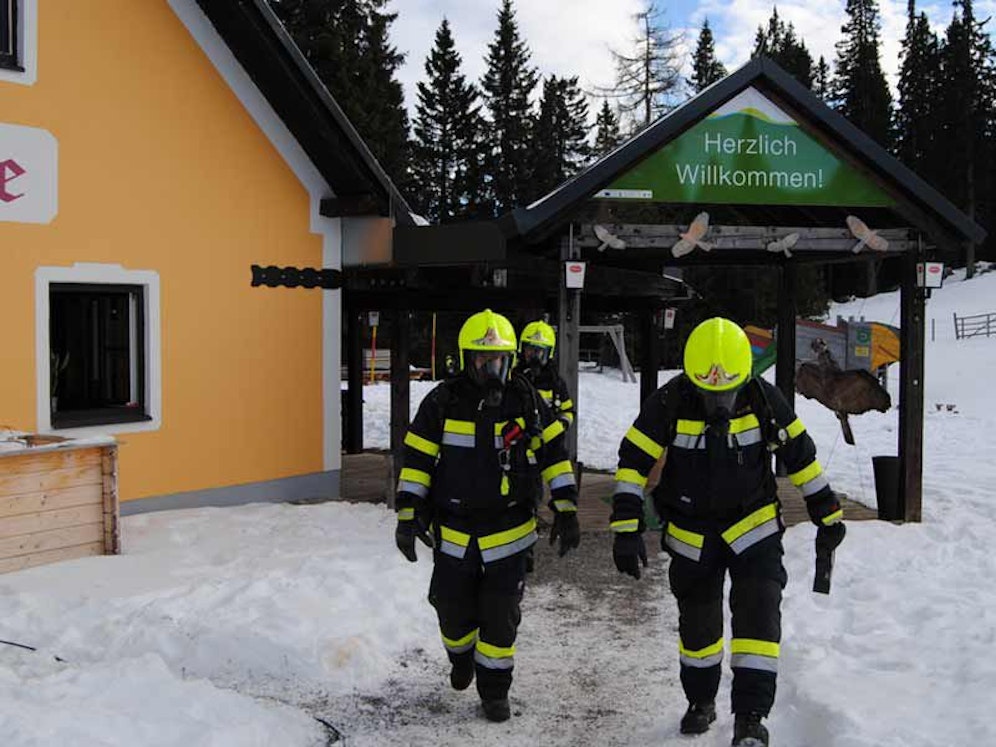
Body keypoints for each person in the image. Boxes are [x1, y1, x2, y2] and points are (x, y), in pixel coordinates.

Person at [609, 317, 845, 747]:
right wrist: (626, 527)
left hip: (754, 530)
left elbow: (801, 456)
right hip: (692, 536)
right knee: (698, 630)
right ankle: (700, 701)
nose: (719, 400)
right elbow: (632, 463)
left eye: (727, 390)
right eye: (709, 392)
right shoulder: (670, 401)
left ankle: (750, 718)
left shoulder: (763, 398)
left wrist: (827, 511)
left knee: (759, 617)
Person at [394, 309, 581, 723]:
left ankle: (495, 692)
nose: (490, 368)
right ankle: (461, 657)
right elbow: (417, 459)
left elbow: (554, 456)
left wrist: (566, 508)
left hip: (509, 532)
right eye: (482, 359)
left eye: (497, 360)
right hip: (455, 532)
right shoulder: (442, 401)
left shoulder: (527, 401)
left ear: (509, 359)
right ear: (466, 359)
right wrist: (408, 514)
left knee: (500, 618)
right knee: (450, 608)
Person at [513, 319, 577, 573]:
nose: (535, 356)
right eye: (531, 350)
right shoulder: (514, 378)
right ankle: (525, 548)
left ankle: (527, 543)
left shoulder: (555, 382)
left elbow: (568, 411)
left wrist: (559, 426)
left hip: (547, 448)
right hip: (519, 450)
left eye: (540, 351)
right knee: (525, 498)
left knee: (536, 495)